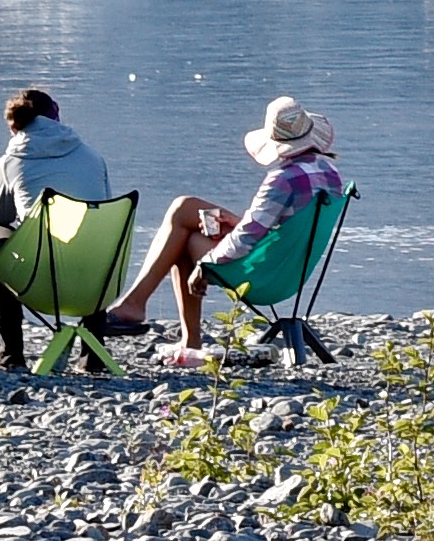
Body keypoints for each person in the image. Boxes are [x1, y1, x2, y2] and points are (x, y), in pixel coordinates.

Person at [141, 95, 349, 359]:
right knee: (186, 209)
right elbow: (287, 230)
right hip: (293, 271)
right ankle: (142, 309)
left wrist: (205, 264)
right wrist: (238, 223)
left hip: (264, 278)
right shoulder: (330, 174)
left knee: (185, 237)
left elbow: (244, 240)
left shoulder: (282, 179)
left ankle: (179, 335)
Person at [0, 80, 137, 371]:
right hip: (96, 283)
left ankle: (11, 353)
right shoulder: (92, 156)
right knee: (93, 235)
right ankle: (92, 355)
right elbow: (102, 205)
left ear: (16, 126)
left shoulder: (10, 161)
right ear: (57, 119)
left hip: (39, 284)